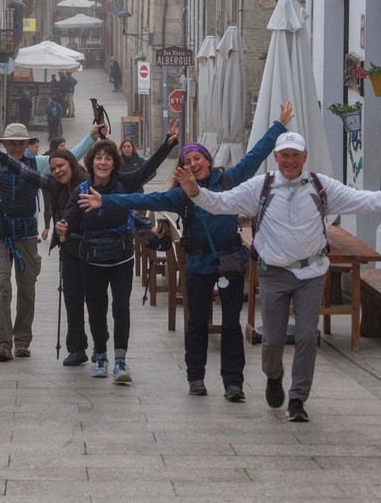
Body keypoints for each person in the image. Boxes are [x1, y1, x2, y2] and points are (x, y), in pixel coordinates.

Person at [175, 131, 381, 422]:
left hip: (311, 274)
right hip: (273, 273)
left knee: (306, 336)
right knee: (272, 341)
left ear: (304, 157)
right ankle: (273, 376)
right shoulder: (260, 187)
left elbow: (363, 200)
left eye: (295, 155)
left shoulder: (321, 186)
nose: (289, 160)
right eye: (284, 155)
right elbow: (221, 203)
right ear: (276, 158)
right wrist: (195, 192)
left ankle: (298, 399)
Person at [80, 102, 293, 400]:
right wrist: (108, 201)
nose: (194, 164)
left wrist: (280, 126)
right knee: (196, 324)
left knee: (231, 325)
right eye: (187, 161)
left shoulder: (229, 180)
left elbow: (257, 154)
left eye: (198, 158)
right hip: (198, 264)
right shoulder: (181, 196)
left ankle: (233, 383)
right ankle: (196, 378)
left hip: (230, 261)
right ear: (183, 169)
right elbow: (148, 200)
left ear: (208, 161)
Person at [0, 119, 105, 362]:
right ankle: (3, 343)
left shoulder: (37, 163)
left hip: (26, 234)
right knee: (2, 286)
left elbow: (71, 156)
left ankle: (22, 340)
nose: (15, 147)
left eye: (20, 143)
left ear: (27, 144)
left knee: (27, 288)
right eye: (11, 143)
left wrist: (91, 137)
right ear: (4, 145)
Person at [58, 119, 180, 383]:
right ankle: (100, 355)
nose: (103, 162)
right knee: (97, 308)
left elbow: (148, 169)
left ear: (114, 163)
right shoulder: (81, 190)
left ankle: (121, 361)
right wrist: (62, 228)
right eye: (98, 158)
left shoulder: (125, 183)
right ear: (91, 163)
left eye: (108, 158)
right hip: (91, 260)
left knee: (121, 307)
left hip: (122, 256)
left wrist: (167, 144)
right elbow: (70, 220)